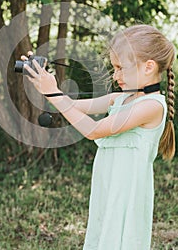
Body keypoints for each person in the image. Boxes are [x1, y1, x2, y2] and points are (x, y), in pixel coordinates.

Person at [21, 24, 176, 250]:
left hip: (127, 191)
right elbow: (71, 105)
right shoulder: (119, 99)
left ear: (148, 67)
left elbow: (94, 130)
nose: (116, 75)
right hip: (108, 184)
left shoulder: (151, 106)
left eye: (121, 68)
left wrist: (53, 92)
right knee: (103, 236)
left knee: (122, 240)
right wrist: (44, 81)